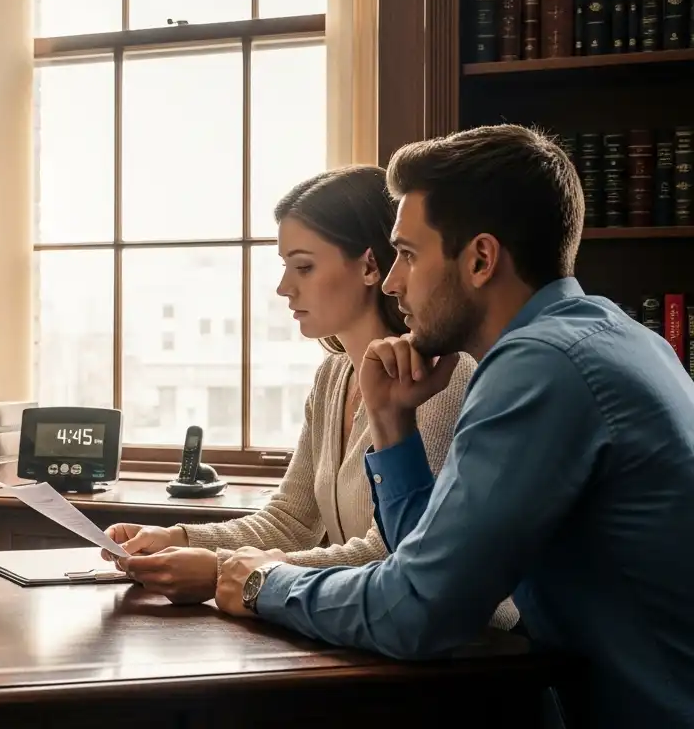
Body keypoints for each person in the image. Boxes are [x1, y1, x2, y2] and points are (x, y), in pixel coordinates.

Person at [213, 124, 694, 728]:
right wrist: (392, 425)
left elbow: (420, 612)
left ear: (481, 259)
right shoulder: (612, 334)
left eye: (409, 255)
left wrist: (265, 584)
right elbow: (441, 571)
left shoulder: (542, 366)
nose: (392, 281)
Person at [101, 165, 486, 610]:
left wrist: (220, 570)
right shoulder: (332, 377)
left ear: (369, 265)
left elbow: (395, 555)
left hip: (466, 648)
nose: (284, 288)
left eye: (303, 266)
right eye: (286, 267)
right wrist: (176, 537)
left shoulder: (441, 378)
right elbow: (291, 520)